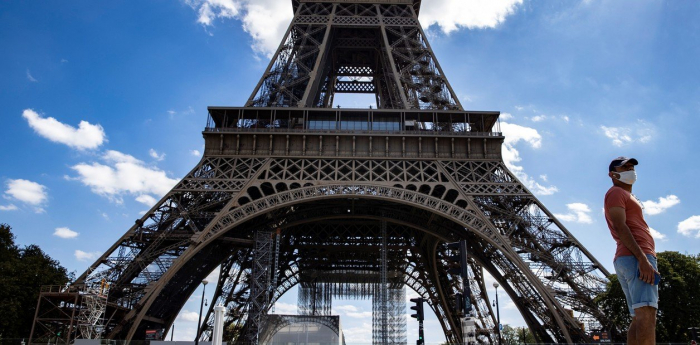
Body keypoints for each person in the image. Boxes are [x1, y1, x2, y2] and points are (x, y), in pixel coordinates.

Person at [604, 156, 659, 345]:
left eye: (631, 167)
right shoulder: (616, 192)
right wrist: (643, 259)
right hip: (635, 256)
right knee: (647, 313)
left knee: (638, 315)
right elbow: (620, 226)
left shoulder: (625, 195)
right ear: (612, 175)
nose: (630, 170)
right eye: (624, 167)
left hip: (628, 257)